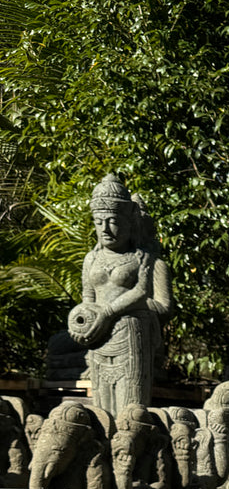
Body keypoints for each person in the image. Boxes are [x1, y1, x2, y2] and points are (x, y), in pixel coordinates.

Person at [69, 173, 172, 416]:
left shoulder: (145, 260)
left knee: (131, 410)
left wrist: (114, 312)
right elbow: (88, 300)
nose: (105, 229)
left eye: (113, 221)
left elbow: (162, 305)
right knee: (102, 410)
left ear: (129, 223)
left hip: (131, 335)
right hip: (98, 337)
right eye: (99, 221)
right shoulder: (91, 259)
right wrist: (83, 323)